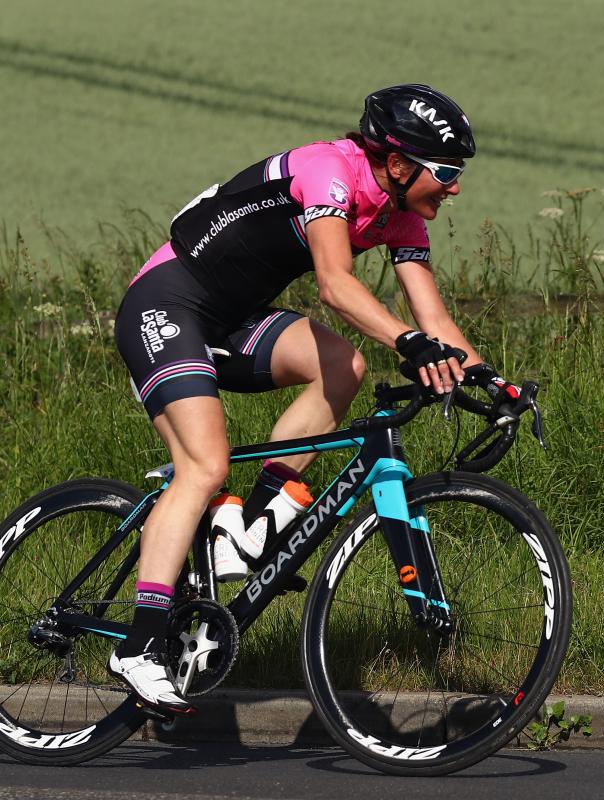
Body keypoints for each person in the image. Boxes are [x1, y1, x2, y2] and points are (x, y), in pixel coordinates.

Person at [109, 84, 488, 712]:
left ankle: (249, 525)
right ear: (398, 164)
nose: (454, 188)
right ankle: (140, 645)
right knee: (205, 466)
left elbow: (436, 321)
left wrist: (489, 380)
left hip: (235, 319)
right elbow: (336, 286)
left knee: (346, 366)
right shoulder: (327, 170)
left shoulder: (403, 213)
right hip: (167, 304)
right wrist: (409, 342)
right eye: (446, 173)